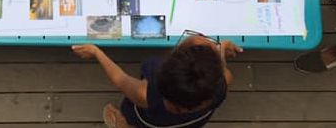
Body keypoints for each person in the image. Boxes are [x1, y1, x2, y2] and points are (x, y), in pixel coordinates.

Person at [72, 33, 242, 127]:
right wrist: (220, 51)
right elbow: (220, 71)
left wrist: (97, 53)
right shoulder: (220, 85)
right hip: (188, 123)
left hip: (148, 119)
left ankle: (123, 124)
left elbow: (120, 79)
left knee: (133, 120)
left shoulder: (145, 95)